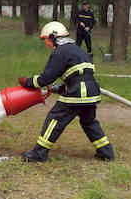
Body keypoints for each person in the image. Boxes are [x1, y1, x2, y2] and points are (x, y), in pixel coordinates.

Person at [17, 21, 114, 162]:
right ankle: (106, 152)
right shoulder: (78, 50)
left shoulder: (60, 52)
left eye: (46, 40)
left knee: (54, 119)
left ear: (53, 36)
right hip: (91, 92)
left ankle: (39, 154)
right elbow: (78, 75)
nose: (46, 43)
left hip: (77, 93)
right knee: (89, 122)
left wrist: (28, 82)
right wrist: (60, 88)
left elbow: (46, 78)